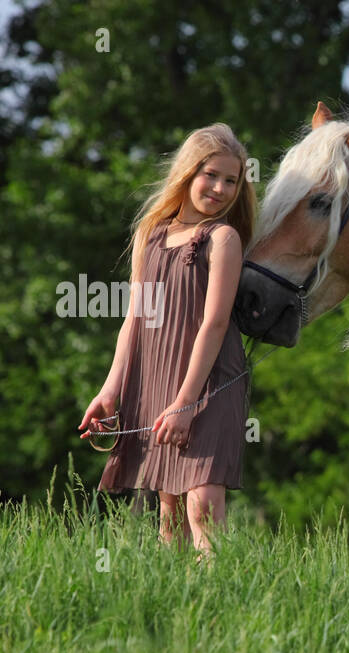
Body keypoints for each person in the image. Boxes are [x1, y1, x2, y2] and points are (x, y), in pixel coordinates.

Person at [79, 123, 255, 554]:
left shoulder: (222, 239)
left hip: (209, 382)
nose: (219, 188)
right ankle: (178, 608)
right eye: (210, 175)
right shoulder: (151, 234)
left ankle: (221, 607)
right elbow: (133, 321)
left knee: (203, 506)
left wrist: (186, 403)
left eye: (231, 180)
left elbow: (214, 324)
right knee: (170, 515)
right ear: (188, 173)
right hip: (157, 376)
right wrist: (110, 390)